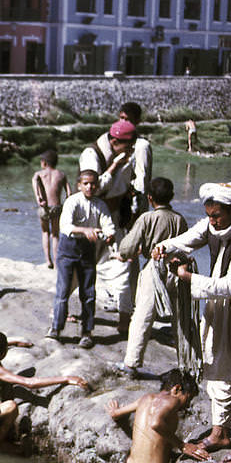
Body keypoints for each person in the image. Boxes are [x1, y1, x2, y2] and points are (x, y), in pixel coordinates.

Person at [153, 181, 231, 463]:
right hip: (219, 306)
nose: (212, 221)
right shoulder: (213, 224)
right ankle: (220, 432)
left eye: (217, 216)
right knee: (215, 363)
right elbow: (190, 238)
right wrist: (166, 246)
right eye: (209, 215)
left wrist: (189, 278)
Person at [0, 331, 88, 451]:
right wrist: (66, 379)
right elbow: (29, 383)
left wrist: (15, 343)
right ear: (3, 353)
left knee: (7, 386)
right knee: (10, 406)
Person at [115, 177, 188, 376]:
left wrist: (122, 254)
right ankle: (187, 362)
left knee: (142, 316)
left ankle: (131, 363)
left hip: (154, 268)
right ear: (171, 197)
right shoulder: (179, 219)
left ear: (149, 198)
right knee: (181, 317)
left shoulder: (147, 218)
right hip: (177, 268)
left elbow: (128, 247)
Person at [80, 118, 139, 333]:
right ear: (115, 142)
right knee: (82, 266)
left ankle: (125, 317)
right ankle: (66, 308)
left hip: (116, 218)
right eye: (128, 144)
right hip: (92, 219)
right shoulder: (92, 155)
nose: (131, 149)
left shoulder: (126, 156)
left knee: (122, 265)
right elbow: (91, 190)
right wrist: (113, 167)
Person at [46, 170, 116, 349]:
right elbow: (65, 226)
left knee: (88, 293)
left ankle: (87, 332)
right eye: (86, 183)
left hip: (87, 250)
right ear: (79, 185)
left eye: (93, 184)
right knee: (63, 291)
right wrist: (85, 230)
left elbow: (109, 226)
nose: (90, 187)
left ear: (97, 185)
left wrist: (109, 236)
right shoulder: (72, 201)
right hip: (68, 249)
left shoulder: (100, 204)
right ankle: (56, 328)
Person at [32, 149, 71, 269]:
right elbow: (69, 193)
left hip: (44, 207)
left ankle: (48, 261)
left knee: (45, 232)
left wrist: (39, 198)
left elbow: (35, 184)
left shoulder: (38, 174)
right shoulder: (61, 174)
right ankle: (56, 260)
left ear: (44, 162)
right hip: (57, 207)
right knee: (55, 235)